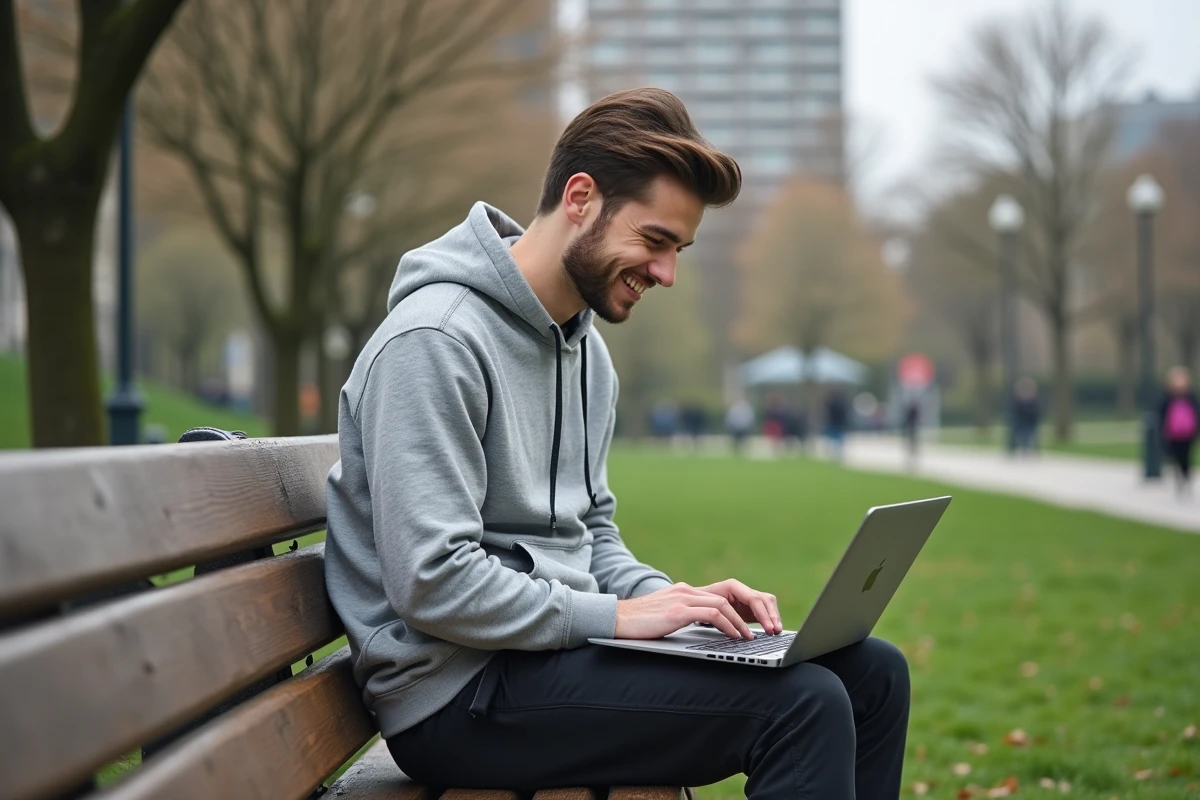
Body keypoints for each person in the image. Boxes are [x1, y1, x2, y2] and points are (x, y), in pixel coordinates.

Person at [324, 88, 910, 800]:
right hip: (457, 692)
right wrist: (619, 617)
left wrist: (677, 607)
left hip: (546, 656)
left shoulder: (587, 355)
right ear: (580, 198)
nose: (666, 273)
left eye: (678, 251)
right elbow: (433, 582)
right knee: (802, 704)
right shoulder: (436, 341)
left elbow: (593, 532)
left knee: (874, 675)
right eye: (655, 241)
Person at [1159, 366, 1198, 496]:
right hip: (1174, 434)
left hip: (1188, 434)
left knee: (1186, 457)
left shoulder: (1191, 398)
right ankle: (1180, 478)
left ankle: (1186, 478)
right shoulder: (1168, 399)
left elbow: (1196, 414)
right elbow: (1162, 415)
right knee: (1176, 457)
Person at [1010, 377, 1041, 456]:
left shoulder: (1034, 400)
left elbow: (1036, 412)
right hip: (1020, 422)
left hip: (1030, 422)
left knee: (1029, 434)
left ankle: (1029, 448)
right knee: (1016, 433)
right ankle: (1013, 447)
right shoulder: (1017, 400)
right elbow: (1014, 412)